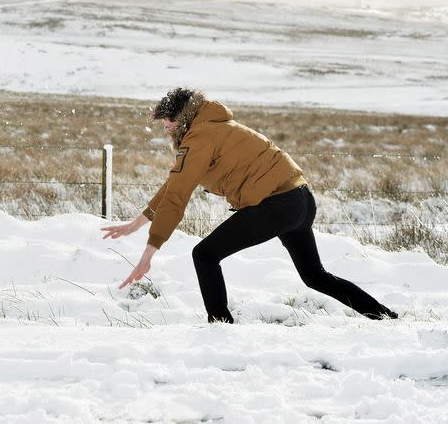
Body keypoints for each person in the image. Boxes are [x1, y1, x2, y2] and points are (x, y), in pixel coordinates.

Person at [102, 88, 398, 323]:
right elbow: (173, 186)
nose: (165, 126)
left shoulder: (200, 136)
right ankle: (384, 316)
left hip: (277, 204)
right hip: (299, 199)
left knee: (204, 255)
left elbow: (178, 194)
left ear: (183, 116)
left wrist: (149, 251)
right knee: (315, 276)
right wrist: (136, 224)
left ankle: (220, 326)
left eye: (168, 119)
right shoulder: (213, 127)